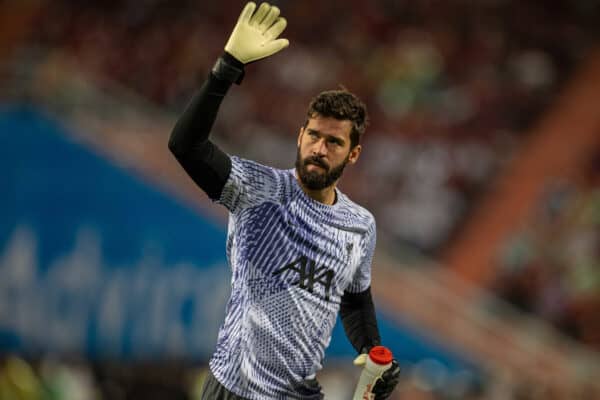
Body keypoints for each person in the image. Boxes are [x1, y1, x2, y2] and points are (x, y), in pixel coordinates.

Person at [168, 2, 400, 399]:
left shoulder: (360, 226)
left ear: (353, 154)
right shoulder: (258, 190)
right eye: (313, 135)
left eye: (333, 142)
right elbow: (186, 145)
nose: (319, 148)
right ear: (300, 135)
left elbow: (356, 301)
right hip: (235, 389)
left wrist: (374, 352)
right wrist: (227, 67)